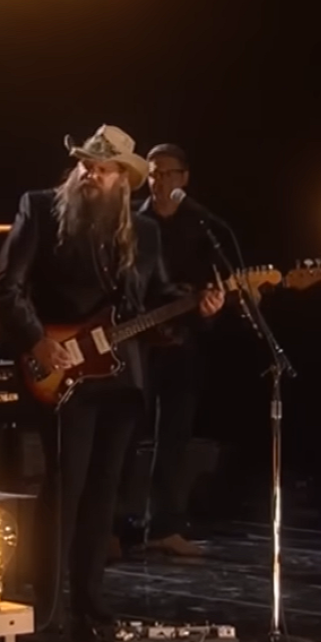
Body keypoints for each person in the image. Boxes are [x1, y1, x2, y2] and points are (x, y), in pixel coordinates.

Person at [0, 126, 224, 642]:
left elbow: (160, 303)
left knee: (102, 497)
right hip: (60, 368)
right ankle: (48, 608)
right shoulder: (40, 208)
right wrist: (36, 341)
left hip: (121, 380)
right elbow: (7, 286)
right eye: (85, 165)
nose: (90, 174)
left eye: (103, 168)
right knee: (65, 489)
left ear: (125, 178)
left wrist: (200, 310)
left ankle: (91, 605)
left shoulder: (144, 234)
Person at [117, 144, 219, 557]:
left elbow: (212, 289)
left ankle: (164, 526)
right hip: (133, 344)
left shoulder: (201, 225)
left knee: (173, 437)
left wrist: (211, 308)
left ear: (185, 178)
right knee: (124, 435)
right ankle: (117, 528)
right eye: (154, 174)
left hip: (181, 343)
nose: (160, 182)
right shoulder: (131, 222)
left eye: (169, 174)